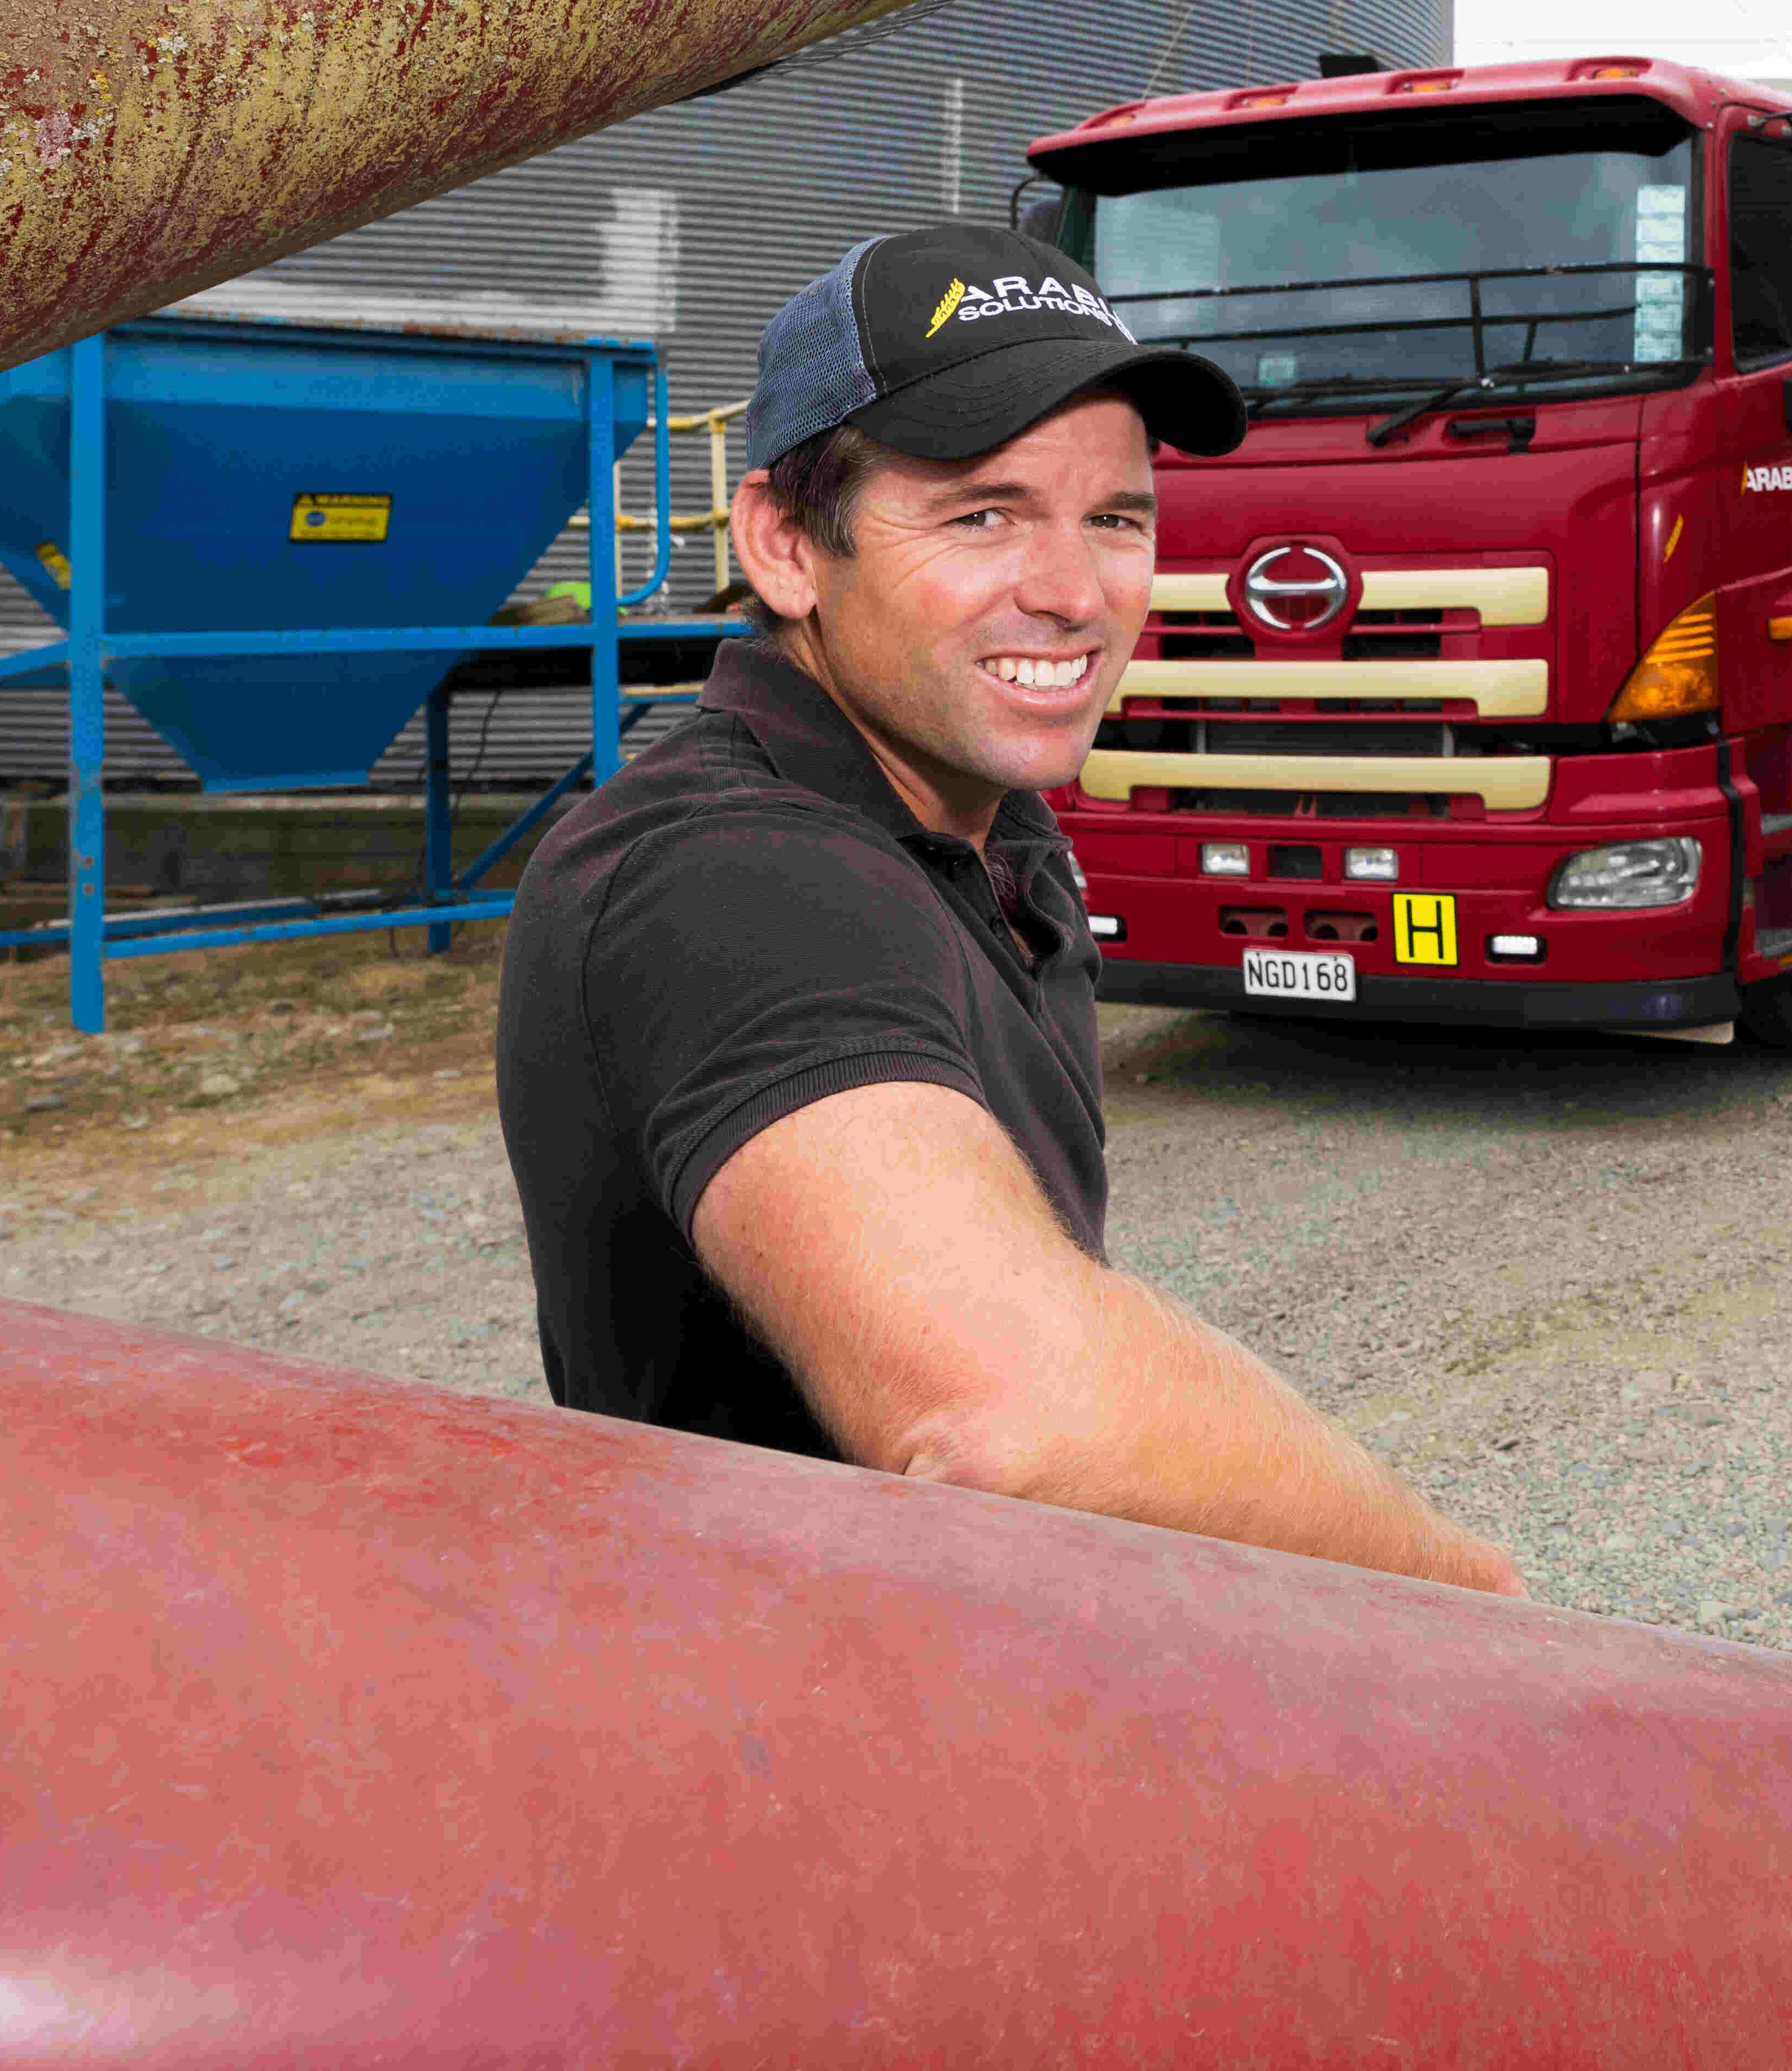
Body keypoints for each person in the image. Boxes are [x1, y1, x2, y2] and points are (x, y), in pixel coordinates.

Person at [497, 222, 1518, 1597]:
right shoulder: (725, 873)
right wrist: (1458, 1589)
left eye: (1115, 516)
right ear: (788, 545)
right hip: (790, 1725)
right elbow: (1012, 1414)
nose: (1074, 592)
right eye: (983, 513)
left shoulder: (978, 819)